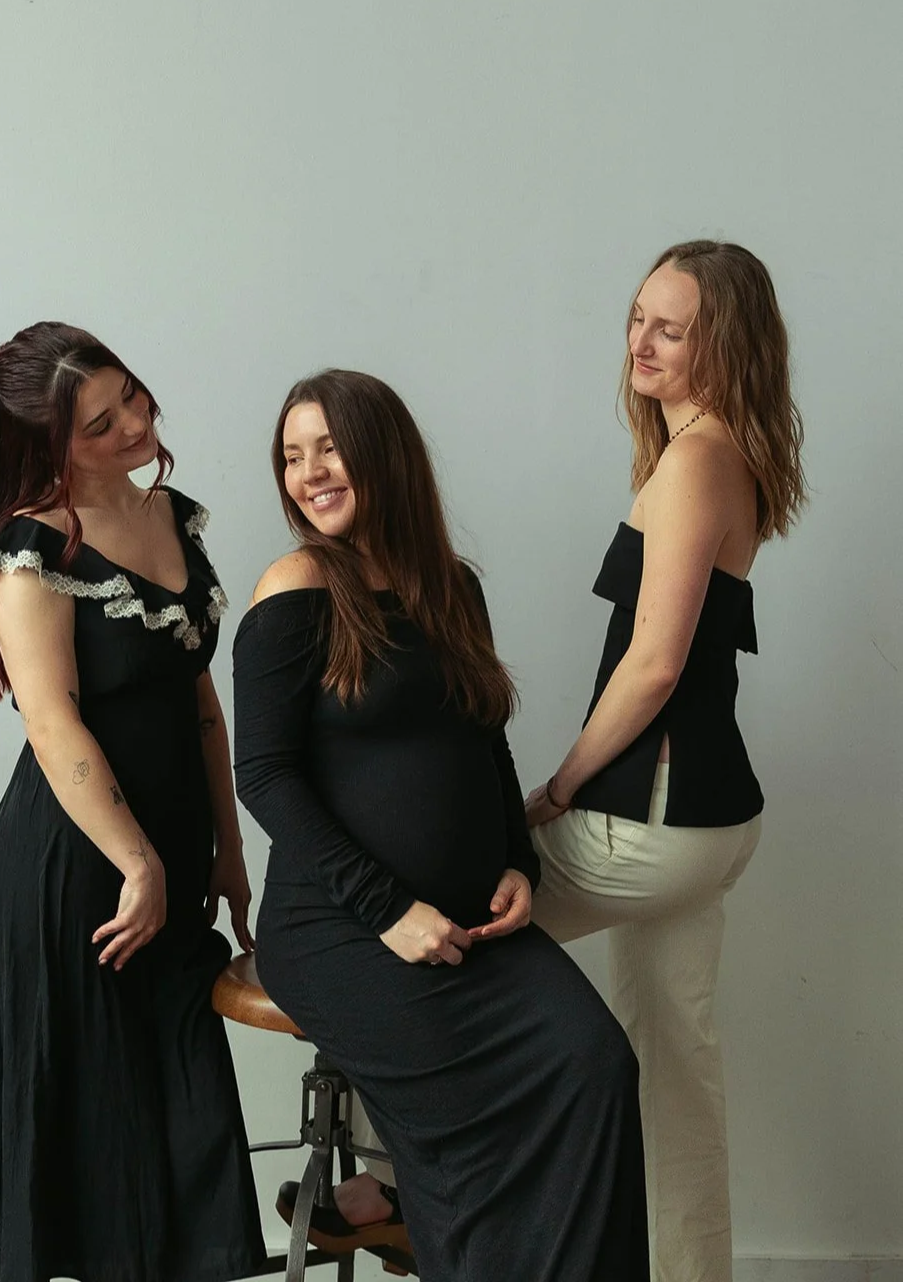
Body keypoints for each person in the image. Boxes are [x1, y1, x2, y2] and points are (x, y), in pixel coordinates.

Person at [232, 369, 650, 1282]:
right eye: (292, 457)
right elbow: (263, 775)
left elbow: (484, 740)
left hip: (471, 923)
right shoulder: (295, 588)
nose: (309, 473)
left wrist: (517, 861)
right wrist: (388, 909)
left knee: (595, 1064)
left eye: (329, 449)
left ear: (384, 455)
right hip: (342, 929)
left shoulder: (452, 586)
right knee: (475, 1126)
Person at [521, 240, 807, 1281]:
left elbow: (652, 667)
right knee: (677, 1067)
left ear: (723, 345)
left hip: (652, 822)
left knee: (437, 929)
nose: (640, 342)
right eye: (637, 318)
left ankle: (401, 1196)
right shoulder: (723, 452)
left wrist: (557, 789)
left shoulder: (694, 462)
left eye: (670, 329)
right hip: (712, 825)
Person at [0, 322, 265, 1282]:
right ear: (51, 445)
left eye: (131, 395)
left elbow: (200, 700)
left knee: (183, 1116)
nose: (135, 423)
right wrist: (139, 862)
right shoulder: (30, 547)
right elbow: (51, 724)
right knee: (99, 1139)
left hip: (167, 860)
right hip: (73, 872)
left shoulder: (171, 513)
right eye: (100, 424)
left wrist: (226, 845)